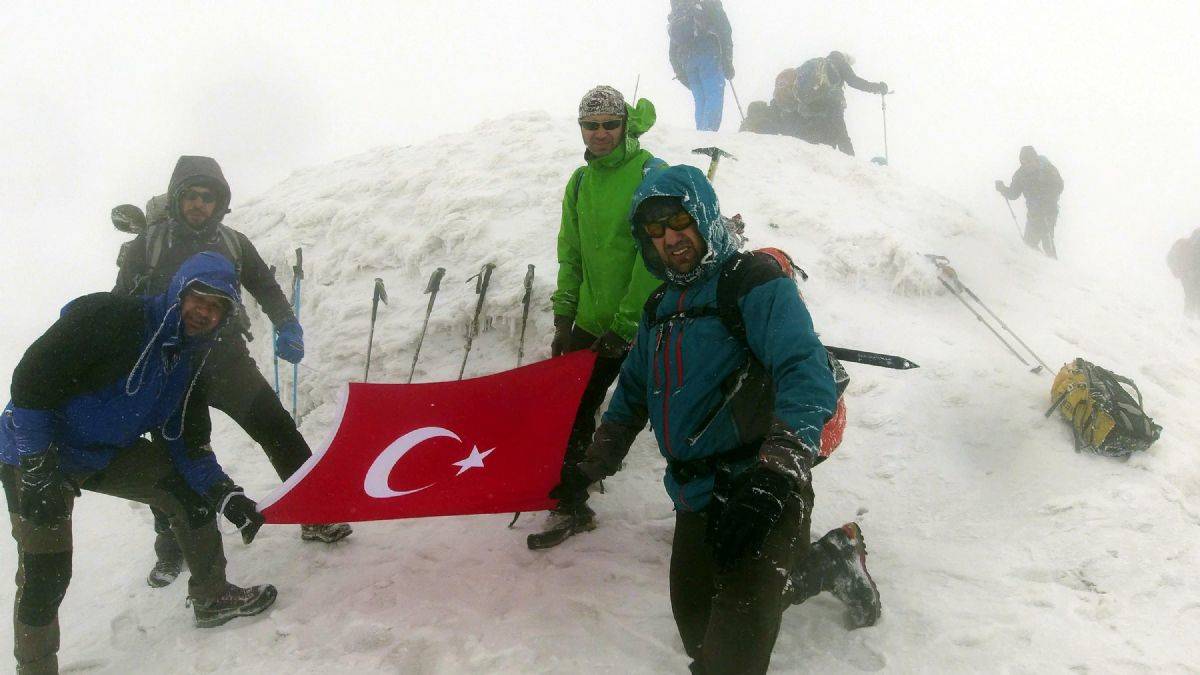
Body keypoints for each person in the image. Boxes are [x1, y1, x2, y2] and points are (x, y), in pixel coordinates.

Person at [550, 165, 880, 673]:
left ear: (703, 215)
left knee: (727, 660)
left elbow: (805, 371)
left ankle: (799, 568)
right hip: (696, 496)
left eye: (679, 220)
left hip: (763, 487)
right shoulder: (659, 305)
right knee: (697, 631)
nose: (670, 238)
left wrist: (775, 475)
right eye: (654, 231)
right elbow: (633, 394)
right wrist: (590, 467)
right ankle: (831, 560)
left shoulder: (751, 282)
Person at [1, 252, 277, 675]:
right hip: (34, 450)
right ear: (178, 293)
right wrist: (38, 468)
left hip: (103, 453)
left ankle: (212, 595)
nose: (203, 311)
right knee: (47, 570)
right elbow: (31, 381)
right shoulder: (113, 317)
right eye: (197, 298)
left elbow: (186, 445)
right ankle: (35, 668)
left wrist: (225, 494)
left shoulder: (186, 366)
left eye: (216, 306)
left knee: (188, 495)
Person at [114, 156, 350, 589]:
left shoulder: (234, 242)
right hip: (169, 368)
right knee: (173, 457)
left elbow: (264, 286)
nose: (199, 204)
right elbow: (120, 304)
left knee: (277, 429)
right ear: (177, 198)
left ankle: (314, 511)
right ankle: (170, 548)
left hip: (226, 359)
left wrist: (286, 323)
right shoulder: (147, 244)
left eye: (208, 197)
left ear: (220, 202)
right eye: (191, 195)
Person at [529, 86, 666, 550]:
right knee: (574, 409)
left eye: (610, 124)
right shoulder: (580, 182)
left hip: (648, 322)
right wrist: (564, 316)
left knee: (670, 411)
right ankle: (571, 501)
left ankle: (700, 508)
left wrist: (626, 325)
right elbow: (571, 253)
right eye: (592, 125)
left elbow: (654, 258)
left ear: (625, 124)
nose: (601, 133)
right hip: (590, 321)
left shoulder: (651, 173)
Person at [773, 51, 888, 154]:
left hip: (810, 105)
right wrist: (878, 88)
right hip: (831, 102)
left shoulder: (816, 66)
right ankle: (852, 164)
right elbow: (854, 82)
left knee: (825, 136)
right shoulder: (838, 61)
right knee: (841, 136)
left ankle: (823, 165)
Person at [668, 0, 734, 131]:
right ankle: (707, 136)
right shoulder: (709, 3)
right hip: (707, 51)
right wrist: (728, 62)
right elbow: (725, 29)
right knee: (714, 93)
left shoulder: (679, 10)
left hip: (687, 59)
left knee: (700, 99)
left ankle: (700, 136)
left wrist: (680, 72)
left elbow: (672, 49)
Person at [996, 146, 1064, 258]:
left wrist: (1045, 197)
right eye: (1023, 162)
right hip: (1034, 213)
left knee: (1047, 241)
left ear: (1035, 159)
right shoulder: (1020, 175)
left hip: (1049, 211)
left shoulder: (1047, 169)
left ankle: (1054, 269)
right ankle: (1040, 266)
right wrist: (1003, 189)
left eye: (1029, 161)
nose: (1027, 165)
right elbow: (1014, 194)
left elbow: (1059, 186)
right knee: (1028, 244)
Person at [1167, 228, 1200, 318]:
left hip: (1186, 276)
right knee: (1194, 298)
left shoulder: (1184, 244)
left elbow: (1170, 258)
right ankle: (1191, 320)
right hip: (1193, 277)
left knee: (1190, 298)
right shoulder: (1191, 246)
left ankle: (1188, 319)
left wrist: (1179, 272)